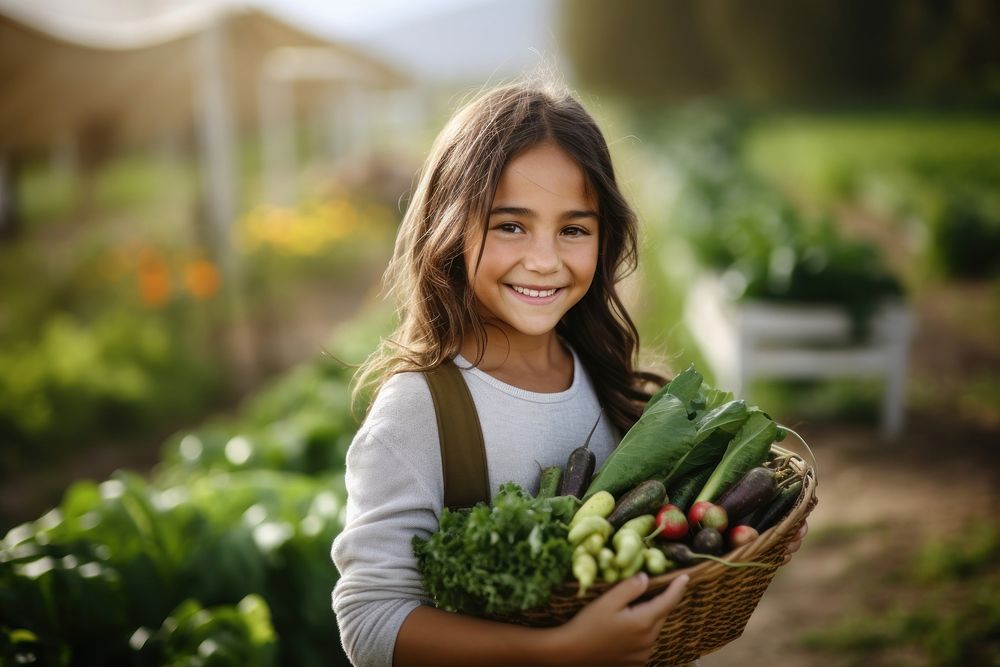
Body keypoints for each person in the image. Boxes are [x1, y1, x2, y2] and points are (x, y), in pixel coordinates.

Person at [331, 78, 805, 667]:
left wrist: (755, 531)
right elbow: (370, 622)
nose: (546, 259)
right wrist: (559, 651)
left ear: (604, 240)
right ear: (450, 229)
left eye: (574, 229)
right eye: (511, 225)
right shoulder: (419, 411)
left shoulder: (600, 376)